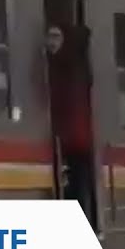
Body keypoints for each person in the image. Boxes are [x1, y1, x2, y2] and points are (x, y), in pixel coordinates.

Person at [46, 23, 96, 223]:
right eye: (50, 37)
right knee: (77, 185)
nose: (51, 42)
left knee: (74, 186)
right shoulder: (78, 67)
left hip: (72, 140)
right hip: (77, 139)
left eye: (56, 36)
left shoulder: (66, 68)